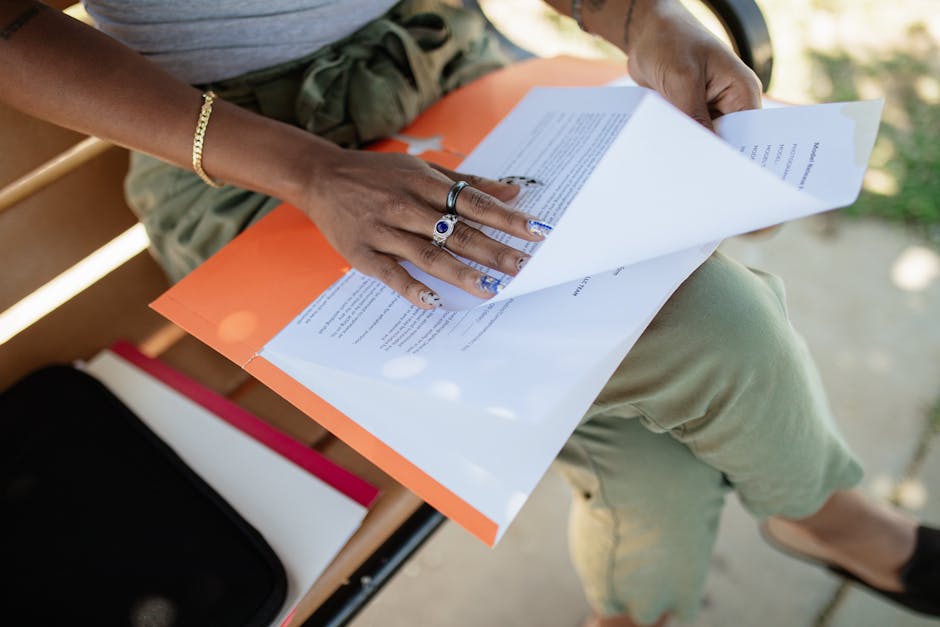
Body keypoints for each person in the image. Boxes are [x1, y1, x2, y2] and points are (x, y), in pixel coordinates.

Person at [1, 1, 936, 625]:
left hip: (458, 75)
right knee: (721, 332)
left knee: (646, 443)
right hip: (254, 171)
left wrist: (639, 13)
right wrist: (310, 170)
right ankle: (828, 513)